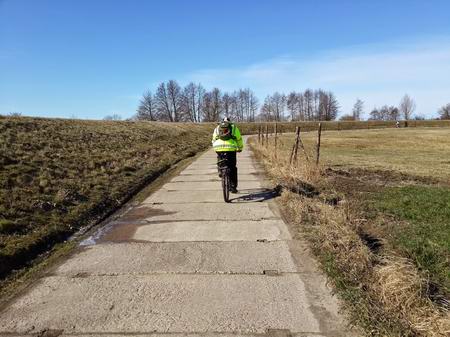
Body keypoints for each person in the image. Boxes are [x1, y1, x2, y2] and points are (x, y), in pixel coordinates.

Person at [212, 117, 243, 193]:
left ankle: (220, 170)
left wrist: (215, 147)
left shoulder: (217, 128)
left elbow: (214, 139)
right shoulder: (234, 127)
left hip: (218, 147)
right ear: (230, 122)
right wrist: (240, 148)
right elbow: (239, 139)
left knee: (220, 158)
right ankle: (233, 187)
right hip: (231, 148)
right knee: (232, 167)